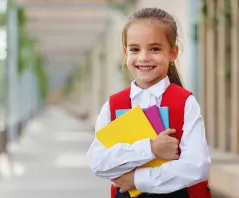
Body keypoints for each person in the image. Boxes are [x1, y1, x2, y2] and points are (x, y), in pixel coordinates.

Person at [86, 7, 211, 198]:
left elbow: (197, 166)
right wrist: (150, 148)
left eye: (155, 49)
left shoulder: (185, 103)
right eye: (135, 49)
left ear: (173, 53)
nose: (144, 57)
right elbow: (98, 162)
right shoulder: (112, 106)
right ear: (125, 53)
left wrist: (137, 180)